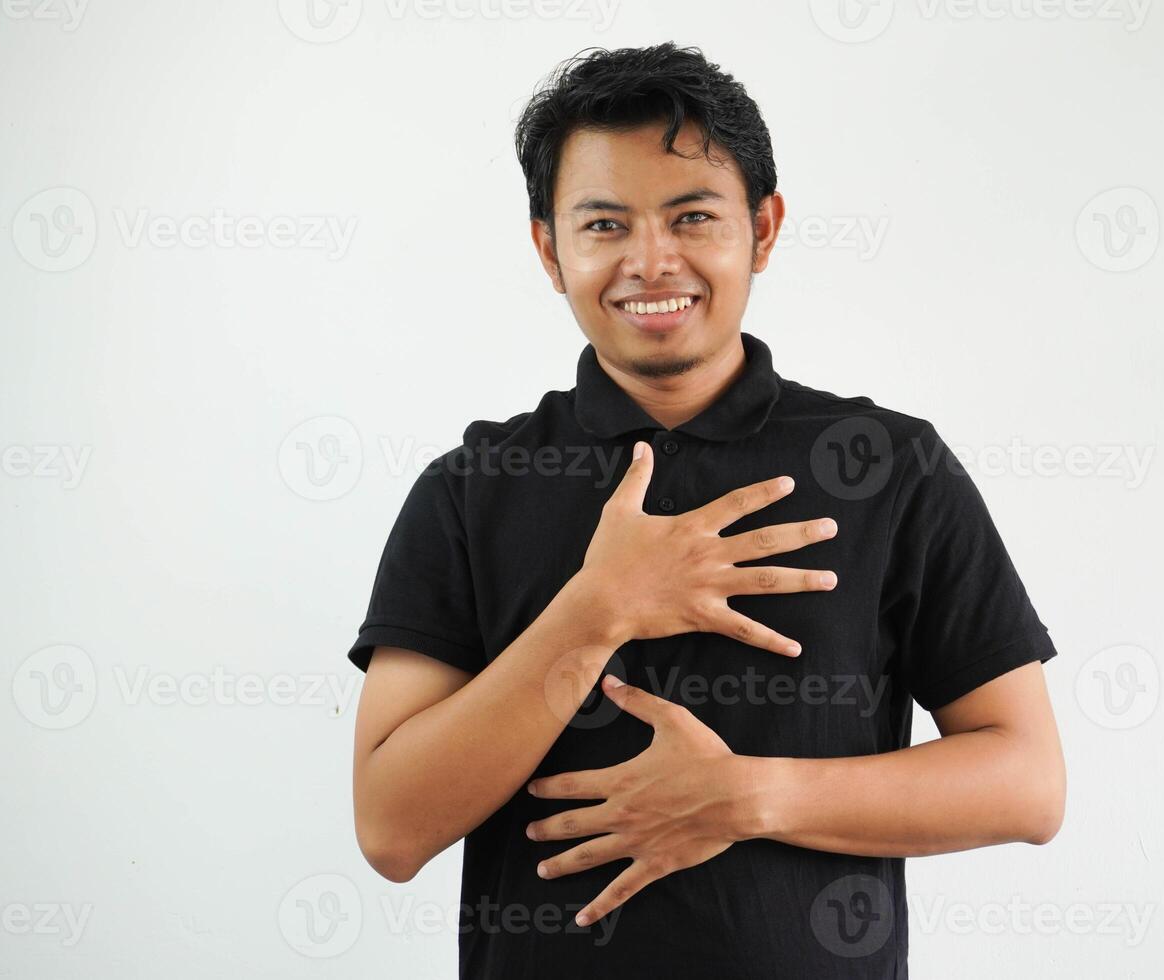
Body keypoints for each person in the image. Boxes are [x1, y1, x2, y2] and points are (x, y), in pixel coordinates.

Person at [347, 41, 1064, 979]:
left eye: (693, 216)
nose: (652, 261)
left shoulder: (890, 466)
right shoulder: (470, 485)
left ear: (762, 230)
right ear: (548, 249)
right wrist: (599, 608)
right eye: (604, 225)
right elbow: (392, 828)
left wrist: (742, 797)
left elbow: (1026, 783)